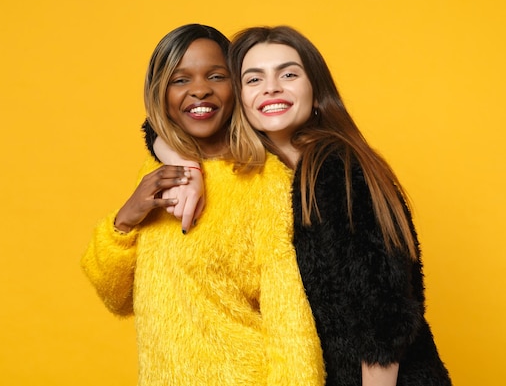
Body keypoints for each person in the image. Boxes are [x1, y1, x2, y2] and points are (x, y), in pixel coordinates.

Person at [153, 25, 452, 385]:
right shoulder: (267, 169)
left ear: (315, 89)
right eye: (253, 79)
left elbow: (384, 319)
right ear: (238, 97)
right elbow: (159, 122)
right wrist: (187, 166)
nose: (272, 88)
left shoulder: (337, 170)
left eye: (289, 74)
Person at [81, 24, 325, 386]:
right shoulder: (157, 174)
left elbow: (290, 316)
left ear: (237, 87)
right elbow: (116, 298)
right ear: (160, 93)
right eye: (180, 80)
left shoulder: (264, 180)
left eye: (216, 76)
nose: (199, 90)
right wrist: (125, 219)